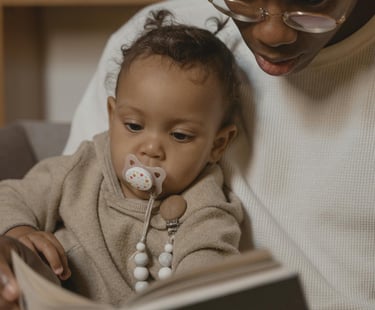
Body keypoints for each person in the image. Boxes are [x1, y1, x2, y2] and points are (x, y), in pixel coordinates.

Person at [59, 0, 373, 309]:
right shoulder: (152, 46)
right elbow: (65, 203)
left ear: (221, 142)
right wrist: (16, 246)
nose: (272, 33)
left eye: (310, 0)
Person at [0, 10, 244, 307]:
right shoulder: (85, 166)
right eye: (134, 126)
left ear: (217, 145)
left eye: (180, 135)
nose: (151, 148)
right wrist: (20, 231)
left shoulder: (205, 208)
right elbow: (11, 196)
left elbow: (209, 265)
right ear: (113, 116)